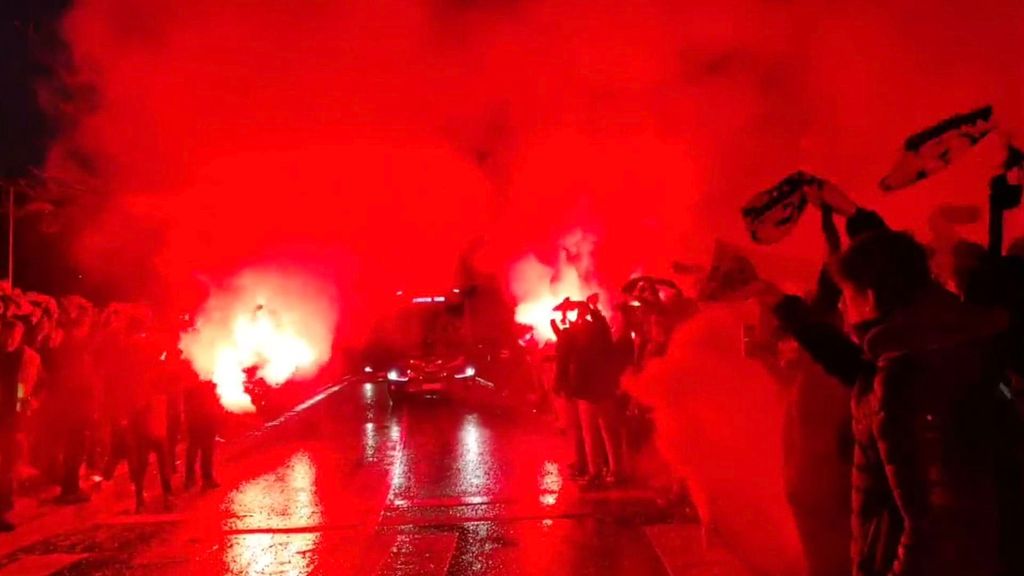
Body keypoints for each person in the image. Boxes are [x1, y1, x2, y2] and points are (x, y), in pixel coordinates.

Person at [773, 230, 1004, 576]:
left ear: (869, 297)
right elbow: (861, 374)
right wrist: (796, 317)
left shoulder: (904, 374)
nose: (840, 305)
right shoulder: (948, 345)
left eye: (845, 294)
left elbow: (928, 522)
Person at [0, 320, 28, 531]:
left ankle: (3, 511)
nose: (10, 339)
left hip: (9, 419)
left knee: (7, 466)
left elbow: (21, 386)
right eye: (7, 335)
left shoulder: (20, 358)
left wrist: (20, 408)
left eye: (15, 335)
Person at [182, 361, 219, 491]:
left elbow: (216, 394)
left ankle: (207, 478)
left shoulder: (211, 374)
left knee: (207, 449)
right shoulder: (191, 375)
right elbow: (186, 399)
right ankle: (190, 478)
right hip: (195, 418)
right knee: (194, 449)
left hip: (209, 417)